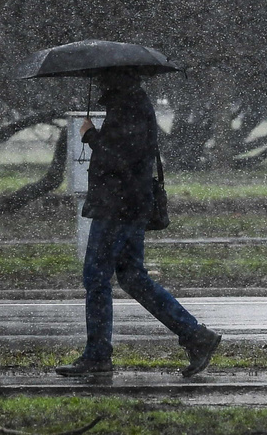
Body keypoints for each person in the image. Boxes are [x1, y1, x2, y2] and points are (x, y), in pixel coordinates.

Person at [56, 70, 221, 378]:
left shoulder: (129, 105)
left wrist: (90, 135)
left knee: (96, 276)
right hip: (129, 205)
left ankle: (97, 355)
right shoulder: (131, 103)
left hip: (118, 207)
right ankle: (196, 336)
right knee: (132, 277)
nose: (98, 82)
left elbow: (118, 158)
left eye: (100, 78)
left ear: (114, 78)